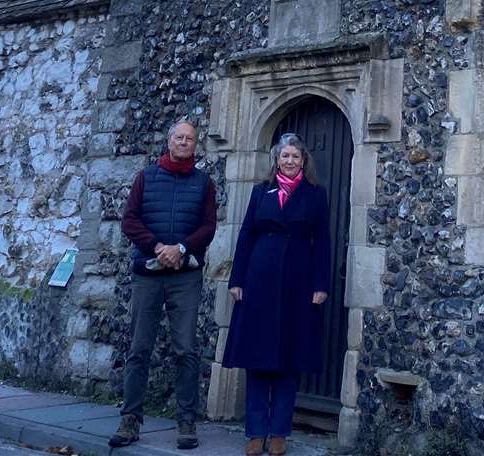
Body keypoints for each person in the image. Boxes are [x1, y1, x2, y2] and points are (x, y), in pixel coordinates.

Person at [222, 133, 331, 456]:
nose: (290, 161)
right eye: (285, 156)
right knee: (256, 360)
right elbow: (245, 236)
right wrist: (236, 280)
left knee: (288, 361)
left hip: (298, 283)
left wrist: (320, 285)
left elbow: (323, 242)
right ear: (277, 160)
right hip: (259, 281)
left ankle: (280, 432)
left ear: (303, 161)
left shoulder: (315, 195)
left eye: (296, 156)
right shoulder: (260, 193)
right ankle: (256, 433)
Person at [110, 120, 216, 452]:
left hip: (185, 275)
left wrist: (181, 249)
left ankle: (186, 422)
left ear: (195, 145)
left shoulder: (203, 183)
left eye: (190, 139)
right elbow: (130, 220)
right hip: (148, 273)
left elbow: (208, 226)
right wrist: (158, 247)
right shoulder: (146, 177)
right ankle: (130, 420)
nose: (184, 142)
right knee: (139, 349)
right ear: (169, 141)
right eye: (179, 137)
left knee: (186, 350)